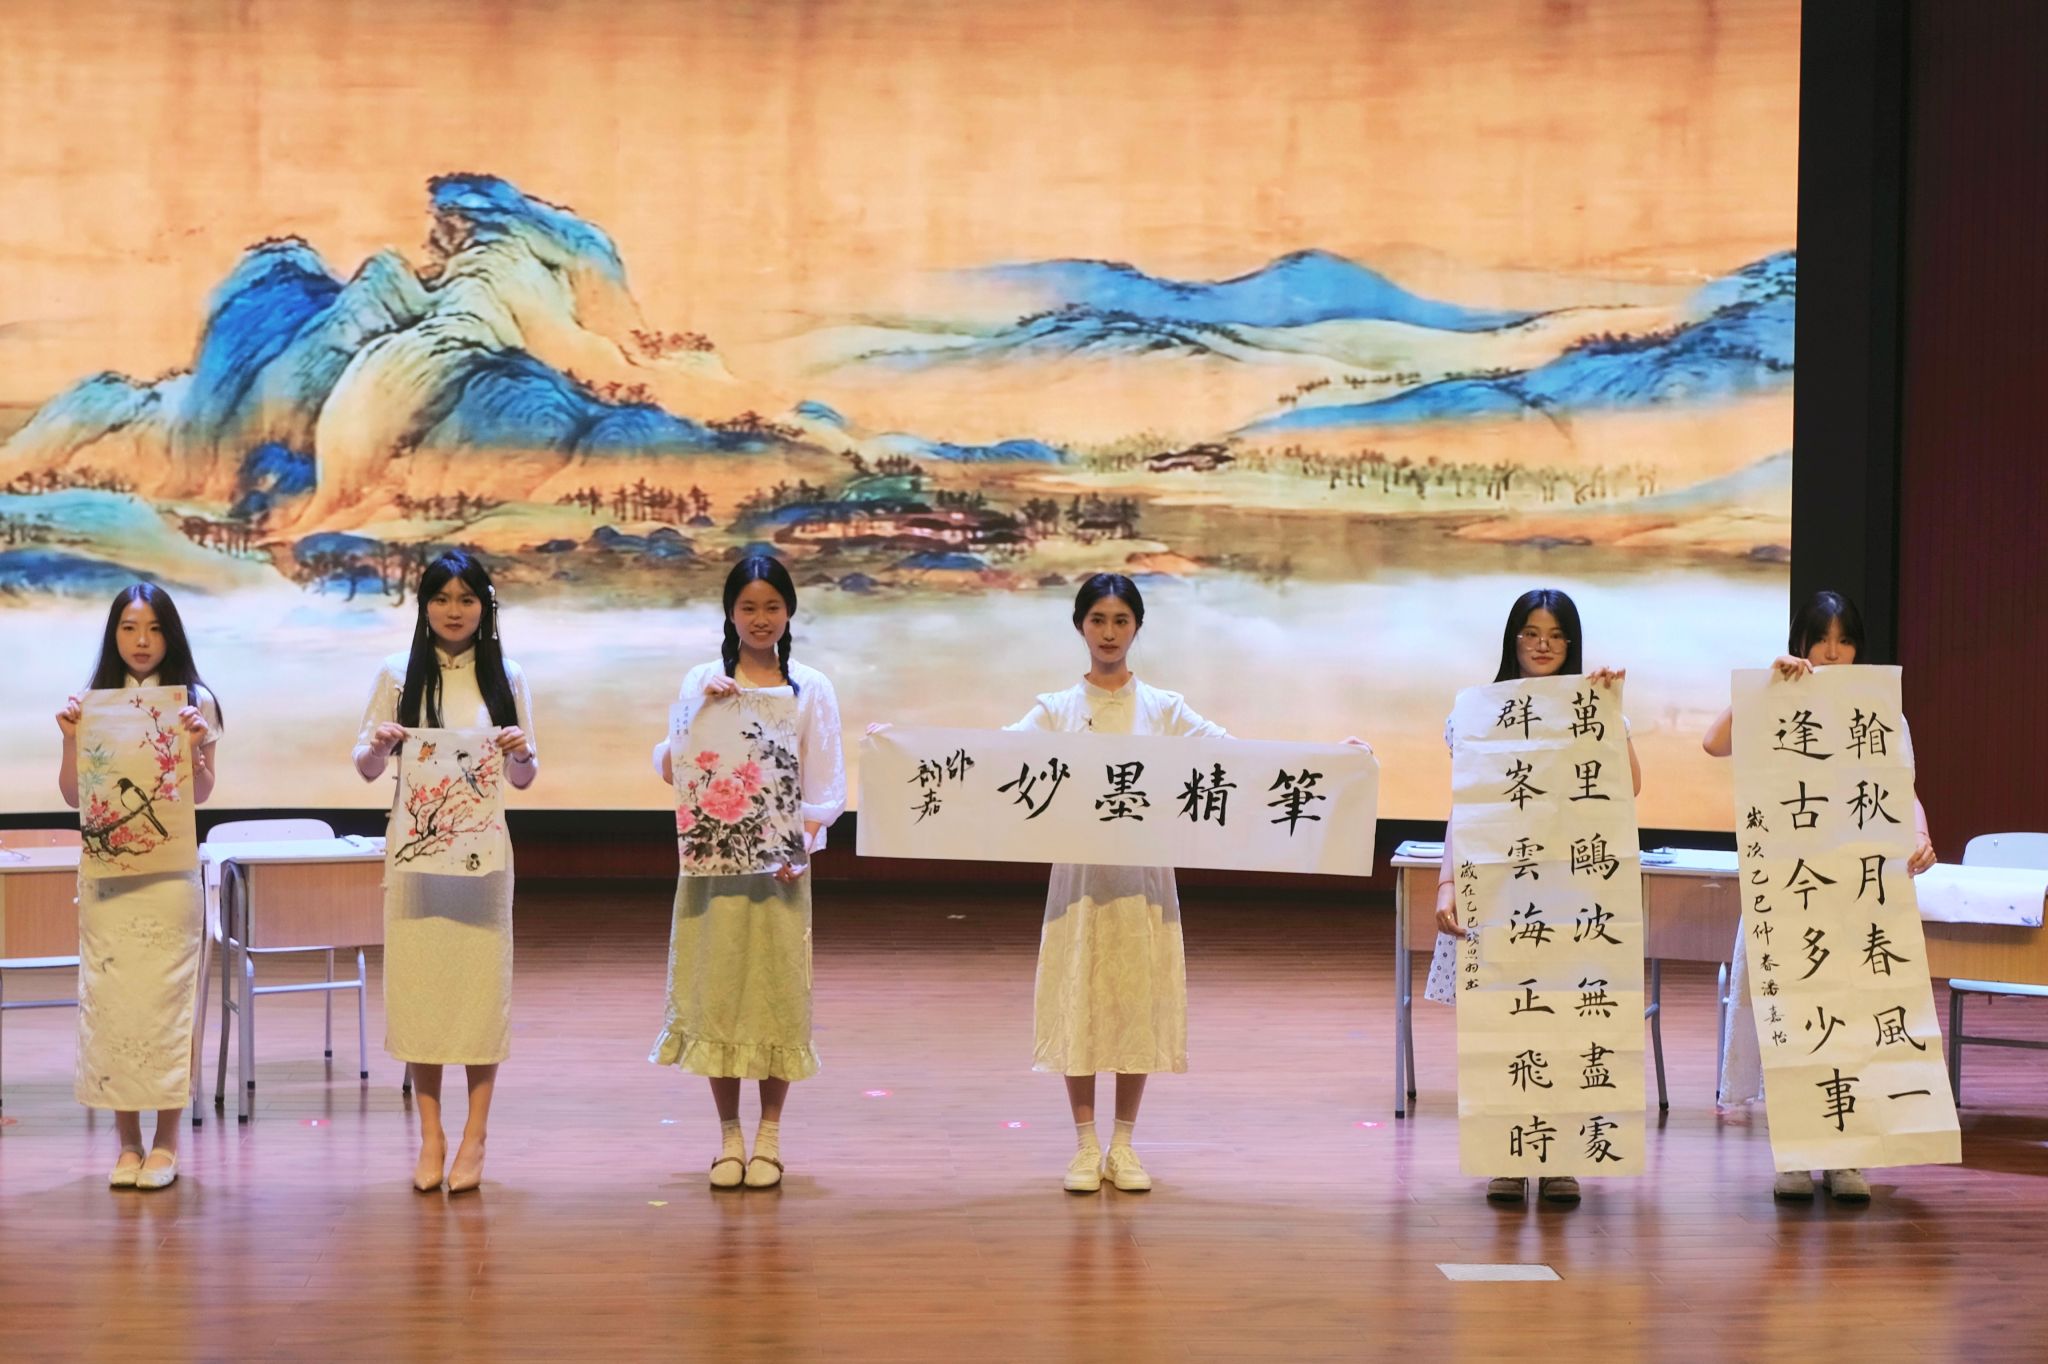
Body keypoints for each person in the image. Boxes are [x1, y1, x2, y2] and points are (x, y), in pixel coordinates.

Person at [1701, 589, 1935, 1204]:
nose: (1832, 653)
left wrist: (1920, 833)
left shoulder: (1878, 710)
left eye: (1844, 640)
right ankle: (1796, 1155)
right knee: (1796, 1018)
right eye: (1821, 640)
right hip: (1789, 888)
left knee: (1851, 1017)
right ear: (1800, 642)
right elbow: (1714, 742)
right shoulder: (1778, 697)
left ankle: (1847, 1157)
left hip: (1855, 893)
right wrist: (1764, 684)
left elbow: (1902, 788)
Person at [1429, 588, 1641, 1205]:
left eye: (1555, 635)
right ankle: (1506, 1154)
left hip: (1573, 889)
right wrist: (1447, 880)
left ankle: (1559, 1158)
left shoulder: (1591, 706)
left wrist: (1609, 708)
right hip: (1500, 888)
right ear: (1513, 639)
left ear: (1571, 643)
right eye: (1531, 633)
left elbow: (1629, 785)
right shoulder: (1479, 712)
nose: (1543, 645)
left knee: (1568, 1020)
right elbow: (1467, 806)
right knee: (1503, 1019)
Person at [650, 555, 845, 1190]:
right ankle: (729, 1136)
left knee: (776, 995)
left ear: (789, 613)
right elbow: (671, 767)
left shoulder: (810, 687)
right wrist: (703, 710)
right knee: (719, 994)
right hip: (713, 870)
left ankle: (770, 1137)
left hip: (780, 870)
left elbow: (825, 786)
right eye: (748, 608)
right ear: (730, 614)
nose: (761, 620)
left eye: (772, 607)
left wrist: (800, 847)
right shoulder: (703, 678)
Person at [353, 550, 537, 1193]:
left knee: (480, 994)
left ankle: (475, 1135)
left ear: (485, 606)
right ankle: (430, 1136)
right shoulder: (397, 674)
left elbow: (524, 777)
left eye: (466, 599)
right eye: (441, 598)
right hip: (416, 859)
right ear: (424, 605)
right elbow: (366, 767)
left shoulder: (507, 675)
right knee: (421, 993)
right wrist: (378, 746)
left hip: (483, 860)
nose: (453, 611)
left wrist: (523, 752)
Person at [55, 583, 222, 1191]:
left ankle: (167, 1143)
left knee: (168, 1005)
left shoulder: (195, 700)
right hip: (109, 880)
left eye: (153, 628)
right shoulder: (91, 703)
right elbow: (73, 796)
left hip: (170, 878)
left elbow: (202, 794)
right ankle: (127, 1143)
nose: (142, 641)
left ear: (170, 635)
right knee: (114, 1006)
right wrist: (70, 738)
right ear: (114, 634)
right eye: (129, 628)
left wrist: (195, 751)